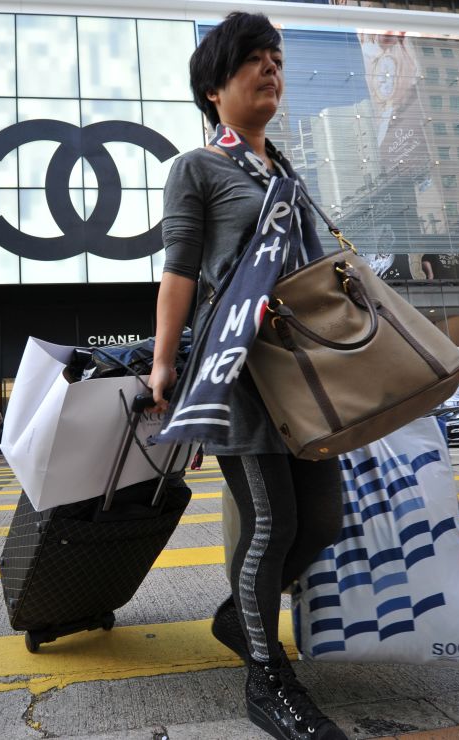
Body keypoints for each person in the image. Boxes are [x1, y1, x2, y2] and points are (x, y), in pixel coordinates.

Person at [147, 13, 347, 739]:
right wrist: (165, 363)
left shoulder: (288, 173)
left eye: (275, 58)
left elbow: (320, 275)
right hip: (238, 370)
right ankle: (268, 683)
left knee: (323, 520)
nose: (270, 68)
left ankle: (240, 616)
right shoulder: (196, 168)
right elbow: (178, 272)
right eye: (251, 61)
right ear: (213, 88)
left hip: (306, 374)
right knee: (271, 520)